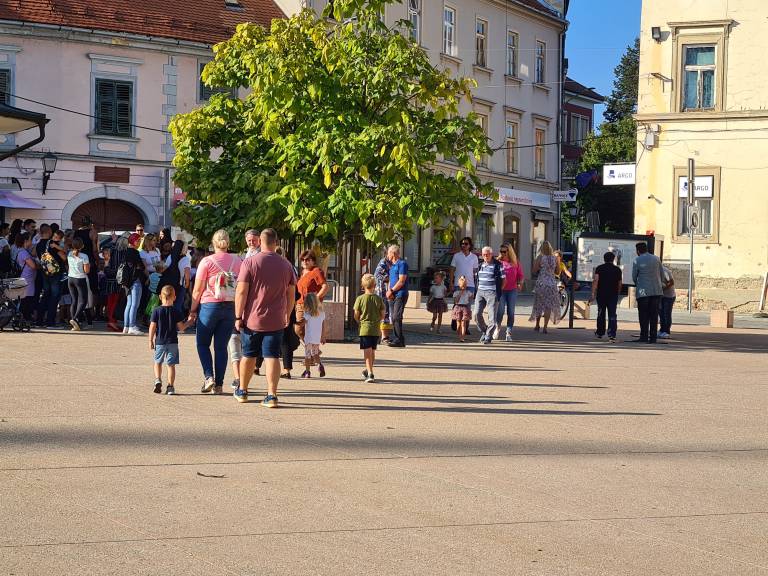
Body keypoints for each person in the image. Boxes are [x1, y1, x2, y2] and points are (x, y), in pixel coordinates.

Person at [233, 228, 296, 407]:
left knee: (248, 354)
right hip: (276, 319)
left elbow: (241, 291)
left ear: (260, 242)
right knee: (272, 356)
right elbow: (291, 294)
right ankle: (271, 395)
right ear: (276, 242)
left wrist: (238, 316)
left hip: (253, 318)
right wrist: (287, 314)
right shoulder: (286, 265)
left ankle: (242, 390)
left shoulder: (250, 262)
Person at [188, 229, 241, 395]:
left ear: (213, 243)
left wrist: (192, 310)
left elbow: (197, 290)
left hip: (209, 306)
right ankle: (219, 385)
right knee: (221, 347)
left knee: (202, 344)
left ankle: (208, 377)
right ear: (228, 242)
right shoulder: (238, 261)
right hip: (230, 306)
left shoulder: (206, 262)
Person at [149, 285, 191, 396]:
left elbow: (152, 326)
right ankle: (170, 387)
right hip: (173, 342)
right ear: (175, 297)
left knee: (158, 362)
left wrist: (150, 340)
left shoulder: (156, 311)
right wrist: (189, 322)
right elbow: (181, 328)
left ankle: (158, 379)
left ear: (160, 297)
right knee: (171, 365)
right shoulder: (176, 311)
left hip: (160, 341)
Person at [354, 273, 385, 383]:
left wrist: (359, 321)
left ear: (362, 285)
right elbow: (383, 314)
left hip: (365, 329)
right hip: (375, 329)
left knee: (367, 352)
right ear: (374, 285)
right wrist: (377, 320)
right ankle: (368, 370)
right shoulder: (379, 299)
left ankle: (370, 374)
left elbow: (356, 315)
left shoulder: (360, 299)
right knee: (372, 351)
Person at [631, 242, 664, 344]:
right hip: (656, 291)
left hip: (643, 292)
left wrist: (639, 284)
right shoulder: (656, 259)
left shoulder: (637, 260)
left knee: (643, 315)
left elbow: (634, 276)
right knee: (654, 315)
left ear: (638, 251)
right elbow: (662, 274)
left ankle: (644, 336)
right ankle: (653, 337)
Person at [36, 228, 67, 327]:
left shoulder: (39, 245)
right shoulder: (53, 244)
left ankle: (39, 320)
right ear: (49, 232)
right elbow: (64, 257)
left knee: (45, 295)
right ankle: (50, 321)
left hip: (45, 272)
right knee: (54, 297)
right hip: (55, 273)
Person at [589, 252, 623, 342]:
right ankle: (612, 334)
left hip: (601, 294)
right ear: (613, 259)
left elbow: (596, 280)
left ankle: (600, 332)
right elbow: (620, 283)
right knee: (612, 314)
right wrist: (618, 292)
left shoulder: (599, 268)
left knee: (601, 313)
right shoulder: (617, 269)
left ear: (604, 259)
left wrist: (593, 293)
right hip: (613, 294)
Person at [474, 246, 504, 344]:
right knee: (476, 314)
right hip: (480, 292)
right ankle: (484, 330)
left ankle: (488, 336)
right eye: (484, 255)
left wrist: (498, 291)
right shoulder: (480, 265)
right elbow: (477, 279)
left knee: (492, 317)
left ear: (491, 254)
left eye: (487, 254)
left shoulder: (498, 265)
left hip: (492, 293)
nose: (485, 256)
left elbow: (504, 279)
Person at [295, 249, 328, 339]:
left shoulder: (316, 271)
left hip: (311, 305)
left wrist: (315, 299)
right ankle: (311, 346)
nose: (304, 262)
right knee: (299, 330)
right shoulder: (303, 272)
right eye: (302, 260)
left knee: (300, 329)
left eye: (307, 260)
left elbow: (325, 287)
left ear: (313, 261)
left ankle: (312, 345)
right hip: (300, 305)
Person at [529, 241, 560, 333]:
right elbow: (557, 272)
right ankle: (545, 327)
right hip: (552, 283)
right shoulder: (555, 258)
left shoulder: (540, 257)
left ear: (541, 248)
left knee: (539, 304)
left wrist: (540, 268)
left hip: (541, 283)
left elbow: (534, 270)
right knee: (548, 306)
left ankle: (537, 325)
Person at [73, 216, 99, 326]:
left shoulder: (76, 233)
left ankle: (79, 314)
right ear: (90, 223)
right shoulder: (92, 232)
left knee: (78, 291)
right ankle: (91, 312)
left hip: (77, 262)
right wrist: (98, 260)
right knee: (92, 289)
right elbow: (94, 249)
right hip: (89, 262)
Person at [495, 243, 524, 341]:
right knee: (500, 311)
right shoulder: (498, 262)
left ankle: (508, 332)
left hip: (512, 290)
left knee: (511, 312)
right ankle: (497, 328)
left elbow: (520, 275)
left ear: (509, 251)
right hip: (501, 290)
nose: (502, 253)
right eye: (501, 251)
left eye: (504, 251)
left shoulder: (515, 262)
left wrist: (520, 283)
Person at [120, 238, 145, 335]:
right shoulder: (135, 252)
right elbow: (141, 266)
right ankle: (132, 326)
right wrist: (140, 266)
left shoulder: (125, 252)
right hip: (135, 280)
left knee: (129, 304)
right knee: (135, 304)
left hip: (126, 281)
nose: (139, 243)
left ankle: (126, 326)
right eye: (138, 241)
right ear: (134, 241)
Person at [386, 245, 408, 348]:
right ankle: (397, 339)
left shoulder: (402, 264)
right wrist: (388, 291)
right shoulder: (391, 265)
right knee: (393, 318)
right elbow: (391, 280)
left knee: (396, 316)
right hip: (392, 295)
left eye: (388, 253)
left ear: (393, 253)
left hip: (400, 294)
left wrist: (392, 290)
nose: (387, 255)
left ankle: (399, 339)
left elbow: (402, 280)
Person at [300, 292, 326, 378]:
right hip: (316, 338)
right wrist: (323, 337)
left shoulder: (307, 313)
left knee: (307, 355)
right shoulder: (321, 313)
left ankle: (307, 372)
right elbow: (323, 325)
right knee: (315, 353)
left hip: (308, 338)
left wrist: (296, 323)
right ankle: (320, 365)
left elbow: (302, 323)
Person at [66, 237, 90, 331]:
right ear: (82, 246)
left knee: (74, 300)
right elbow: (86, 271)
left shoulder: (69, 254)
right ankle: (75, 319)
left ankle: (74, 323)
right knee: (83, 301)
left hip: (70, 278)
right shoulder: (84, 256)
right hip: (80, 278)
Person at [163, 240, 191, 316]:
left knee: (167, 303)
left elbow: (164, 269)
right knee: (177, 305)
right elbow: (187, 274)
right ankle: (174, 321)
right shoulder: (186, 259)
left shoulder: (170, 256)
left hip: (168, 283)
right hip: (180, 285)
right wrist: (187, 285)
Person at [14, 232, 37, 320]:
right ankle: (25, 318)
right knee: (26, 300)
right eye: (30, 239)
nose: (31, 241)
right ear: (25, 241)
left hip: (25, 278)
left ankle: (24, 318)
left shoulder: (22, 251)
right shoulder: (24, 253)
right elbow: (33, 266)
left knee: (25, 300)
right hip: (27, 279)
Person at [373, 253, 392, 342]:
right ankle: (383, 336)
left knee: (386, 313)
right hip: (382, 293)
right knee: (384, 313)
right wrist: (392, 278)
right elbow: (378, 276)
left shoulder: (391, 263)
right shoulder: (383, 263)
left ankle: (383, 336)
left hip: (387, 292)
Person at [452, 275, 472, 342]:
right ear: (459, 285)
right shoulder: (456, 293)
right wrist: (460, 294)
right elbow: (456, 301)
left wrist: (469, 298)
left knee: (463, 323)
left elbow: (471, 297)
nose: (464, 287)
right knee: (458, 323)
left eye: (465, 285)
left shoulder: (468, 292)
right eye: (462, 286)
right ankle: (459, 334)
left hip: (465, 308)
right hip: (458, 307)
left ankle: (462, 337)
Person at [659, 266, 676, 339]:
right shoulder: (655, 270)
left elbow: (671, 282)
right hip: (661, 296)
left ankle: (666, 331)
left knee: (666, 314)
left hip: (669, 296)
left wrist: (662, 289)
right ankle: (662, 330)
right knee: (661, 314)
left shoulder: (664, 271)